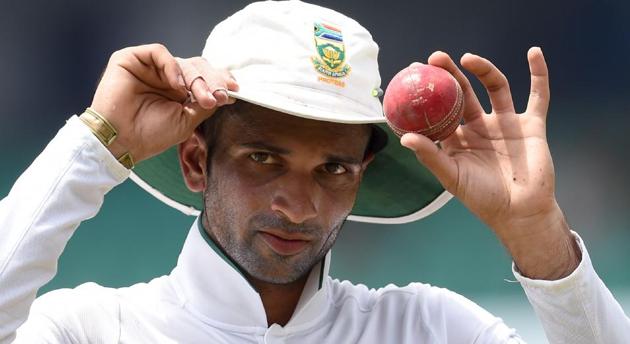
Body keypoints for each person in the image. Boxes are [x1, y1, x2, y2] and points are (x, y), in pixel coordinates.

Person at [0, 1, 628, 343]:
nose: (298, 206)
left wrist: (538, 237)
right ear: (196, 160)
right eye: (263, 158)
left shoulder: (428, 329)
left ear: (362, 175)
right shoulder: (93, 330)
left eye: (332, 168)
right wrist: (94, 142)